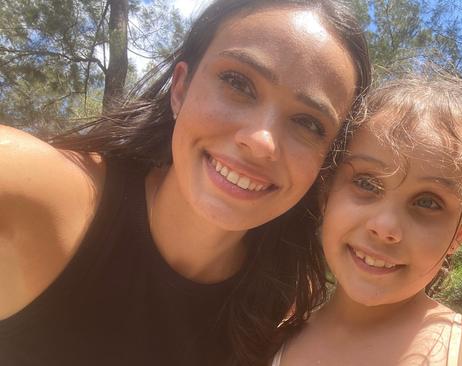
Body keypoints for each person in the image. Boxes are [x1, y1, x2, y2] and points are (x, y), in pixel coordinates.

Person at [0, 1, 371, 365]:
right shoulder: (29, 192)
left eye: (308, 123)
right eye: (238, 83)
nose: (261, 142)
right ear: (180, 88)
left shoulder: (284, 305)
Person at [272, 70, 462, 366]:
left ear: (460, 232)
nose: (385, 227)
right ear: (327, 192)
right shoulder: (270, 342)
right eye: (366, 183)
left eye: (428, 202)